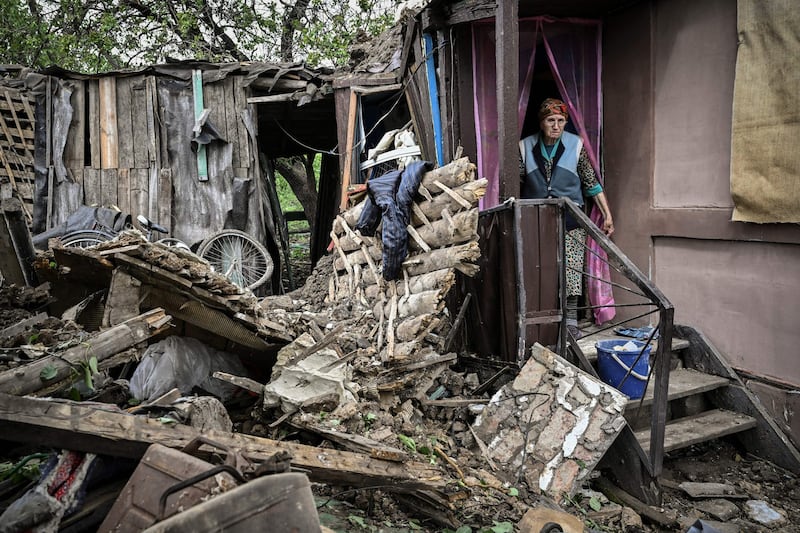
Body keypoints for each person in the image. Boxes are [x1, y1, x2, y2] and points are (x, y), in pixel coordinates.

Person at [519, 98, 614, 339]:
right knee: (541, 267)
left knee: (571, 268)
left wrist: (607, 214)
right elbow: (514, 183)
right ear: (541, 123)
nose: (556, 125)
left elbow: (591, 183)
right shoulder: (525, 147)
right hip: (537, 220)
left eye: (561, 121)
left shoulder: (576, 146)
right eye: (551, 120)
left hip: (571, 219)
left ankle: (571, 319)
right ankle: (542, 318)